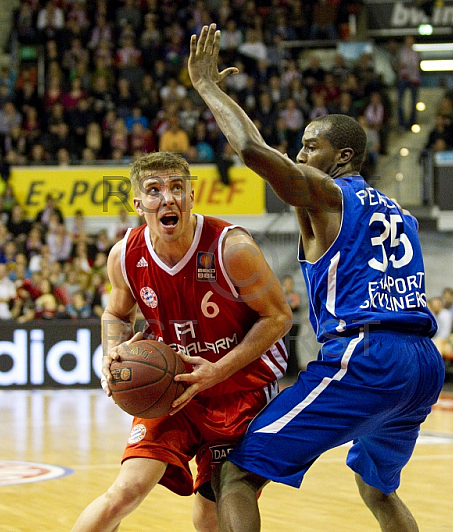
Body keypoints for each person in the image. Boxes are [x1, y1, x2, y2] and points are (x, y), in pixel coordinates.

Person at [189, 25, 444, 532]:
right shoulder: (399, 212)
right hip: (422, 364)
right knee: (377, 488)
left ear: (342, 157)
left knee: (234, 475)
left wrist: (208, 88)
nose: (301, 156)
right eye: (301, 148)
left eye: (310, 147)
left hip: (366, 356)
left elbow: (254, 152)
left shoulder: (328, 194)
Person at [71, 152, 291, 532]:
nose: (167, 199)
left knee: (210, 516)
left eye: (176, 188)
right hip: (171, 386)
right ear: (139, 204)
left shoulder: (232, 248)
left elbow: (279, 317)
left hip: (237, 389)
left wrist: (218, 370)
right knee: (125, 491)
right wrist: (110, 353)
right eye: (154, 191)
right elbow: (116, 314)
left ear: (191, 196)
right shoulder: (124, 255)